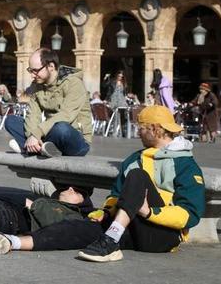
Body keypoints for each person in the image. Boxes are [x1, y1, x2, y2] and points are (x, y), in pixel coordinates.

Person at [77, 105, 205, 262]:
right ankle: (37, 241)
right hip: (133, 228)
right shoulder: (133, 159)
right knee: (79, 230)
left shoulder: (186, 165)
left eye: (141, 128)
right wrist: (106, 211)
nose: (138, 133)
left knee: (138, 175)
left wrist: (149, 212)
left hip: (164, 236)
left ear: (155, 129)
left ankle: (111, 238)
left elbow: (190, 214)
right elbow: (116, 195)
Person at [5, 48, 92, 158]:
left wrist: (37, 134)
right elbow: (32, 115)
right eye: (30, 70)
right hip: (49, 134)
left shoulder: (74, 83)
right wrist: (32, 136)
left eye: (35, 70)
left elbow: (66, 115)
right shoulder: (36, 85)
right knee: (11, 121)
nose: (32, 75)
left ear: (51, 66)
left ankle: (29, 148)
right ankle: (41, 148)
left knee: (61, 128)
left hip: (76, 138)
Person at [104, 71, 128, 137]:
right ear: (117, 75)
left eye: (121, 76)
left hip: (122, 99)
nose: (120, 78)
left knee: (123, 114)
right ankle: (110, 130)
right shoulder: (112, 81)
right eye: (119, 76)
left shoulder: (124, 83)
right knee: (112, 115)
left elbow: (124, 93)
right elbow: (105, 85)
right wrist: (106, 78)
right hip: (114, 98)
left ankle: (123, 131)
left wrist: (126, 97)